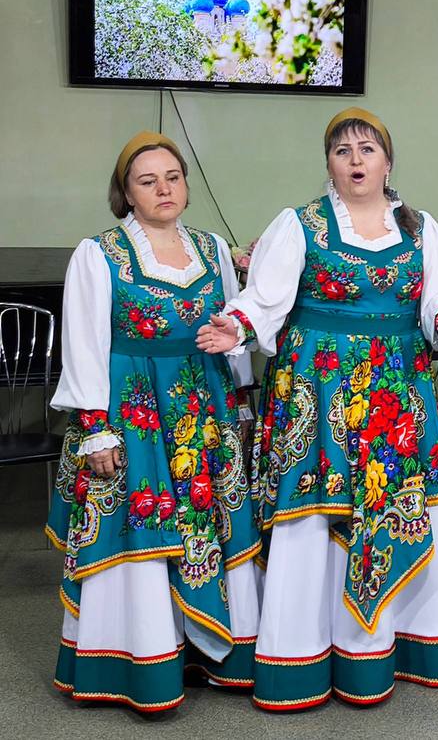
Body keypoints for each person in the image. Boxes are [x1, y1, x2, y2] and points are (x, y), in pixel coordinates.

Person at [197, 107, 438, 709]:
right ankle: (304, 653)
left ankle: (399, 645)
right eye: (343, 150)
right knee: (314, 514)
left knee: (399, 505)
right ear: (328, 163)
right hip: (317, 389)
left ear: (388, 162)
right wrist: (237, 325)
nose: (356, 160)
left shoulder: (421, 228)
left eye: (367, 149)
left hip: (396, 392)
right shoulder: (299, 224)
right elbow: (266, 298)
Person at [47, 132, 260, 712]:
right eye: (148, 181)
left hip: (203, 409)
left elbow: (230, 330)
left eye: (173, 177)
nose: (164, 189)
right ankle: (141, 658)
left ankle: (209, 655)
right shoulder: (99, 253)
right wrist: (95, 428)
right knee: (142, 527)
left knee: (208, 526)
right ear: (126, 193)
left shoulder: (213, 250)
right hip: (133, 411)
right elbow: (84, 343)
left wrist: (241, 397)